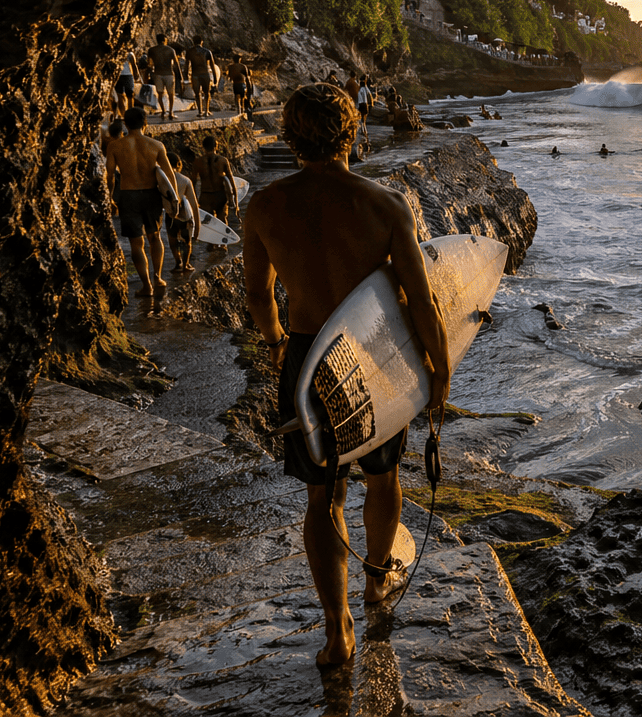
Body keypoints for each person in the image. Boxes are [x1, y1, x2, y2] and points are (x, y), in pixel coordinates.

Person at [242, 83, 451, 668]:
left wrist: (280, 343)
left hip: (308, 356)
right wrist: (439, 371)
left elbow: (259, 296)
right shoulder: (384, 205)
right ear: (352, 132)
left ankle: (338, 633)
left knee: (321, 496)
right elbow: (421, 300)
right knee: (382, 481)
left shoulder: (263, 207)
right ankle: (377, 580)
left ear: (289, 137)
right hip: (371, 357)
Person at [105, 106, 177, 296]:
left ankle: (147, 286)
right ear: (145, 122)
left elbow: (110, 176)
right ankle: (158, 277)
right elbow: (169, 174)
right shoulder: (156, 145)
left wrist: (111, 198)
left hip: (128, 196)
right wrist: (175, 199)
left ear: (126, 124)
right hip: (151, 195)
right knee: (155, 237)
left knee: (137, 243)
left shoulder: (115, 146)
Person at [166, 149, 201, 272]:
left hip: (170, 215)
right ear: (179, 164)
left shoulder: (161, 180)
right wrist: (197, 226)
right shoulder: (185, 180)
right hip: (185, 215)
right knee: (187, 242)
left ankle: (178, 263)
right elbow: (194, 204)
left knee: (172, 240)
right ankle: (186, 264)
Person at [192, 134, 239, 224]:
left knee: (207, 224)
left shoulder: (197, 162)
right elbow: (231, 181)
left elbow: (192, 183)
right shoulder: (223, 160)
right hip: (220, 196)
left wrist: (195, 201)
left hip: (205, 197)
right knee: (222, 223)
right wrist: (235, 202)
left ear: (203, 147)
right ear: (216, 146)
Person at [147, 36, 180, 121]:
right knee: (171, 94)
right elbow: (176, 64)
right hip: (169, 74)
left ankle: (163, 111)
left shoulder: (151, 50)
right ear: (165, 41)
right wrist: (180, 76)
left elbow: (149, 64)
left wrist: (149, 74)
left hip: (158, 74)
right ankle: (171, 112)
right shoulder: (171, 50)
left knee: (160, 94)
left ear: (157, 41)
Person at [185, 36, 216, 116]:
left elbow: (186, 65)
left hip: (195, 74)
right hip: (205, 74)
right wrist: (215, 77)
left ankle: (200, 111)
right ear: (202, 41)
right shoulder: (207, 51)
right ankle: (207, 111)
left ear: (193, 42)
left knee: (197, 93)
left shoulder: (189, 51)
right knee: (207, 92)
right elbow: (212, 66)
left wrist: (185, 76)